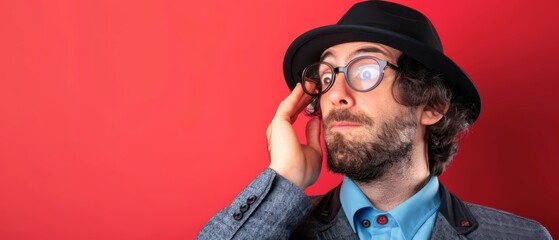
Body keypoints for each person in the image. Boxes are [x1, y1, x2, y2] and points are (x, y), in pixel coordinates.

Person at [197, 1, 551, 239]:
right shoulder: (276, 227)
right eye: (326, 76)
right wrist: (283, 181)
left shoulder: (523, 236)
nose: (334, 94)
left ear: (431, 104)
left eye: (365, 70)